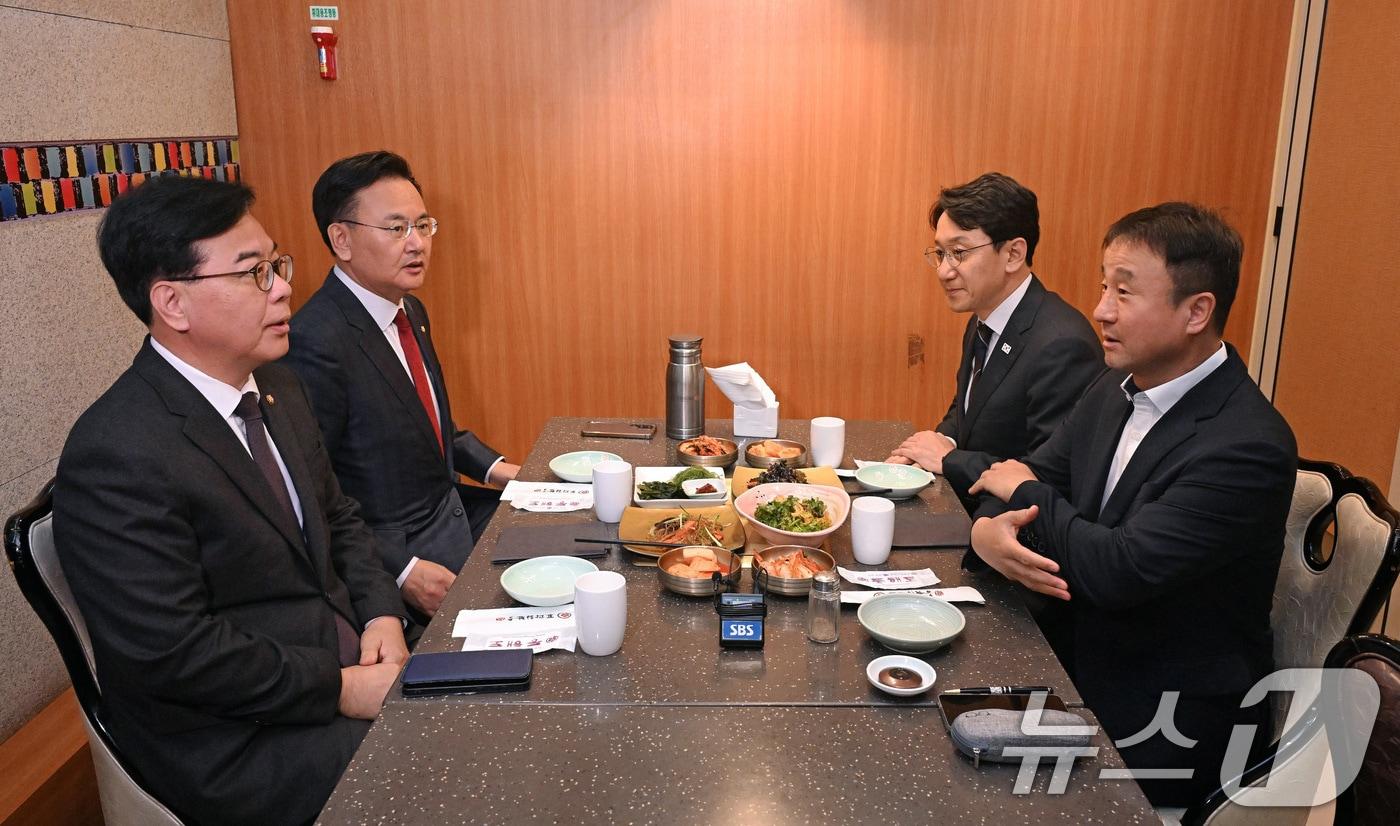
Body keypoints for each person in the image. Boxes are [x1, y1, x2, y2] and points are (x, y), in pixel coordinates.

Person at [53, 175, 407, 824]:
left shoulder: (275, 384)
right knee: (449, 763)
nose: (282, 287)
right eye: (253, 273)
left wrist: (383, 615)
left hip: (336, 657)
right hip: (235, 743)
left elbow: (338, 517)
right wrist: (341, 687)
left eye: (277, 263)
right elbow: (178, 654)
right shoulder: (115, 455)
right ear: (173, 304)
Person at [967, 203, 1297, 806]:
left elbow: (1119, 569)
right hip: (1079, 653)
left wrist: (1025, 495)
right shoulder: (1115, 387)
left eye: (1125, 292)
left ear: (1197, 311)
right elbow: (1023, 478)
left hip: (1167, 711)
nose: (1101, 311)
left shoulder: (1247, 443)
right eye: (1102, 285)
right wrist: (989, 531)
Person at [283, 151, 519, 624]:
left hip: (452, 514)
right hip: (400, 554)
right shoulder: (315, 340)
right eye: (396, 229)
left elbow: (431, 426)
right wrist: (401, 571)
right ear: (341, 239)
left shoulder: (409, 311)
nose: (417, 244)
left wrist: (500, 470)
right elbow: (311, 489)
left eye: (423, 225)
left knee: (574, 534)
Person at [888, 172, 1102, 511]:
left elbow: (1050, 475)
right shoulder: (984, 317)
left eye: (959, 252)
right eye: (940, 254)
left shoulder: (1062, 344)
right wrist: (935, 442)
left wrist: (950, 459)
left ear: (1014, 254)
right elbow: (968, 408)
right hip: (971, 509)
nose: (944, 271)